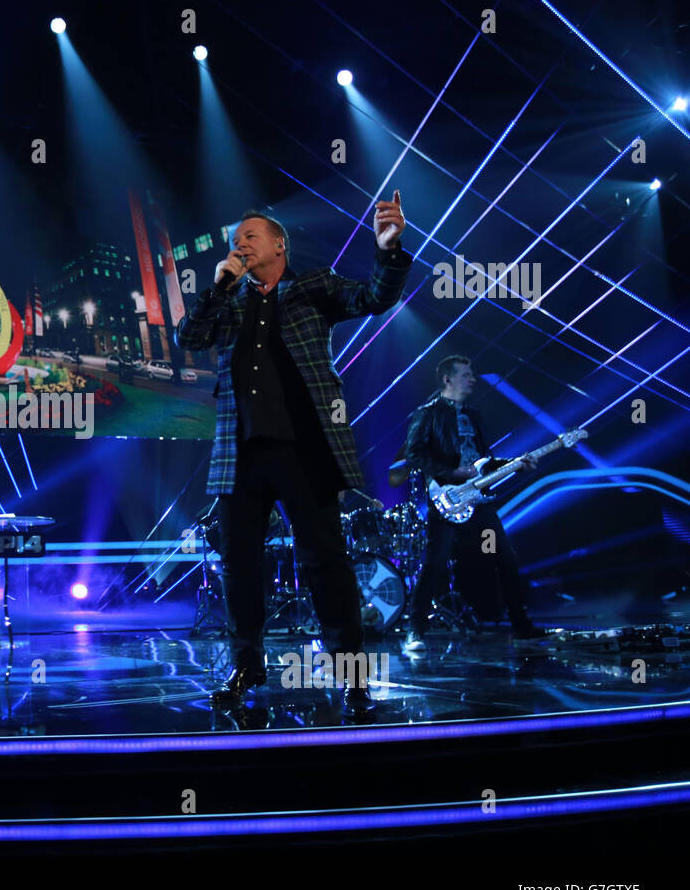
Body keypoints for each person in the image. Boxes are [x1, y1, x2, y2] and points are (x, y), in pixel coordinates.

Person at [175, 193, 411, 714]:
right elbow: (188, 336)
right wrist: (217, 288)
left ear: (279, 245)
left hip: (305, 449)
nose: (240, 246)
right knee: (240, 565)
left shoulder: (312, 285)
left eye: (250, 237)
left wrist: (389, 252)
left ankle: (351, 676)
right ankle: (246, 667)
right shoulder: (230, 302)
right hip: (240, 455)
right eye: (235, 242)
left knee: (326, 562)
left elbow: (373, 297)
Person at [402, 355, 545, 650]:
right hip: (447, 499)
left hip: (478, 499)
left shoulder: (474, 416)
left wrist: (516, 462)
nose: (473, 379)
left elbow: (484, 462)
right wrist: (452, 472)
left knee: (505, 558)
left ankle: (522, 625)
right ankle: (415, 629)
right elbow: (414, 455)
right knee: (435, 564)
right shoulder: (427, 414)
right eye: (466, 374)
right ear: (448, 379)